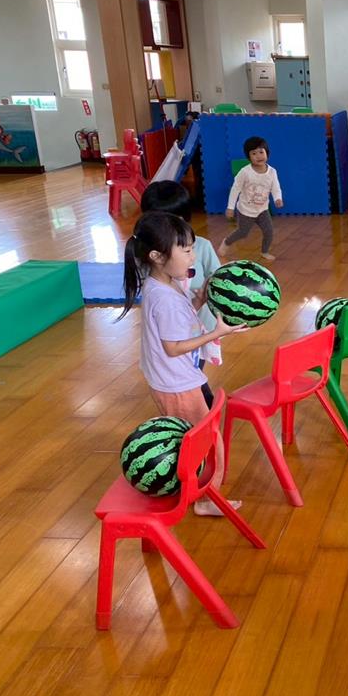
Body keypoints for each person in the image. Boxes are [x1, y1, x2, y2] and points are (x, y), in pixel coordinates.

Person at [120, 211, 247, 516]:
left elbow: (177, 323)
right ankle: (205, 499)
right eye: (187, 251)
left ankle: (197, 491)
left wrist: (198, 302)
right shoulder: (164, 298)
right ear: (157, 256)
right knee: (205, 443)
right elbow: (173, 347)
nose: (194, 256)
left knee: (193, 436)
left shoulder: (165, 283)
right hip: (176, 383)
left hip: (174, 378)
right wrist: (217, 333)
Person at [141, 180, 221, 408]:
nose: (191, 257)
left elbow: (217, 277)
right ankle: (202, 411)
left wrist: (205, 297)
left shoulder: (200, 247)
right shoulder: (157, 276)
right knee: (189, 380)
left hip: (198, 327)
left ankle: (201, 407)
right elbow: (171, 341)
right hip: (176, 338)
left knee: (194, 370)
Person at [219, 136, 283, 261]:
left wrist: (277, 198)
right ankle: (226, 242)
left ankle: (264, 252)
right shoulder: (245, 172)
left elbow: (276, 187)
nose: (258, 156)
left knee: (269, 231)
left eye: (261, 152)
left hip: (262, 210)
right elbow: (235, 189)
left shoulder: (272, 172)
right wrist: (230, 207)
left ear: (267, 153)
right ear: (248, 157)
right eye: (254, 153)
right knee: (243, 232)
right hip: (246, 210)